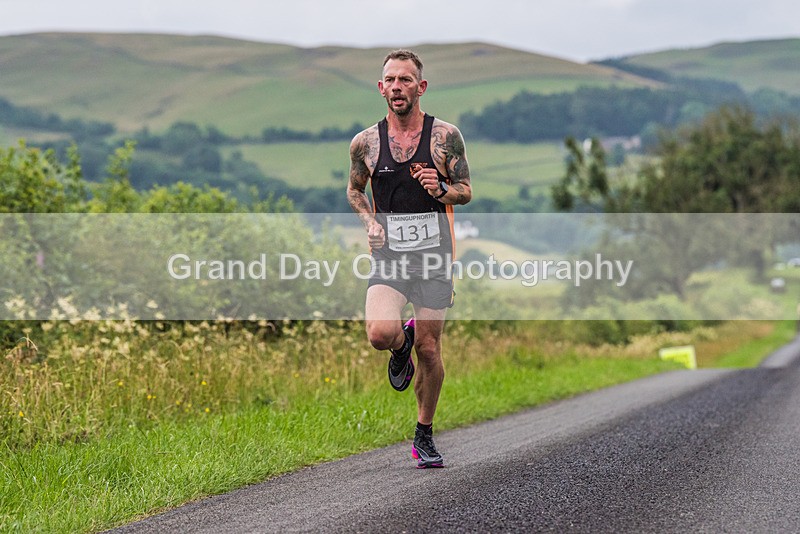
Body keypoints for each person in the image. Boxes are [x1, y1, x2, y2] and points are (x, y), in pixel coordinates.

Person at [347, 49, 472, 468]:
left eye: (405, 79)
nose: (397, 87)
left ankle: (424, 434)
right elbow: (354, 190)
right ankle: (400, 346)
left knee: (430, 348)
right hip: (390, 256)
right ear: (380, 88)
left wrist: (441, 188)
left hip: (434, 257)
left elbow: (466, 190)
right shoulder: (365, 143)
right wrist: (369, 221)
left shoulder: (445, 137)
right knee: (380, 333)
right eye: (390, 80)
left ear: (421, 87)